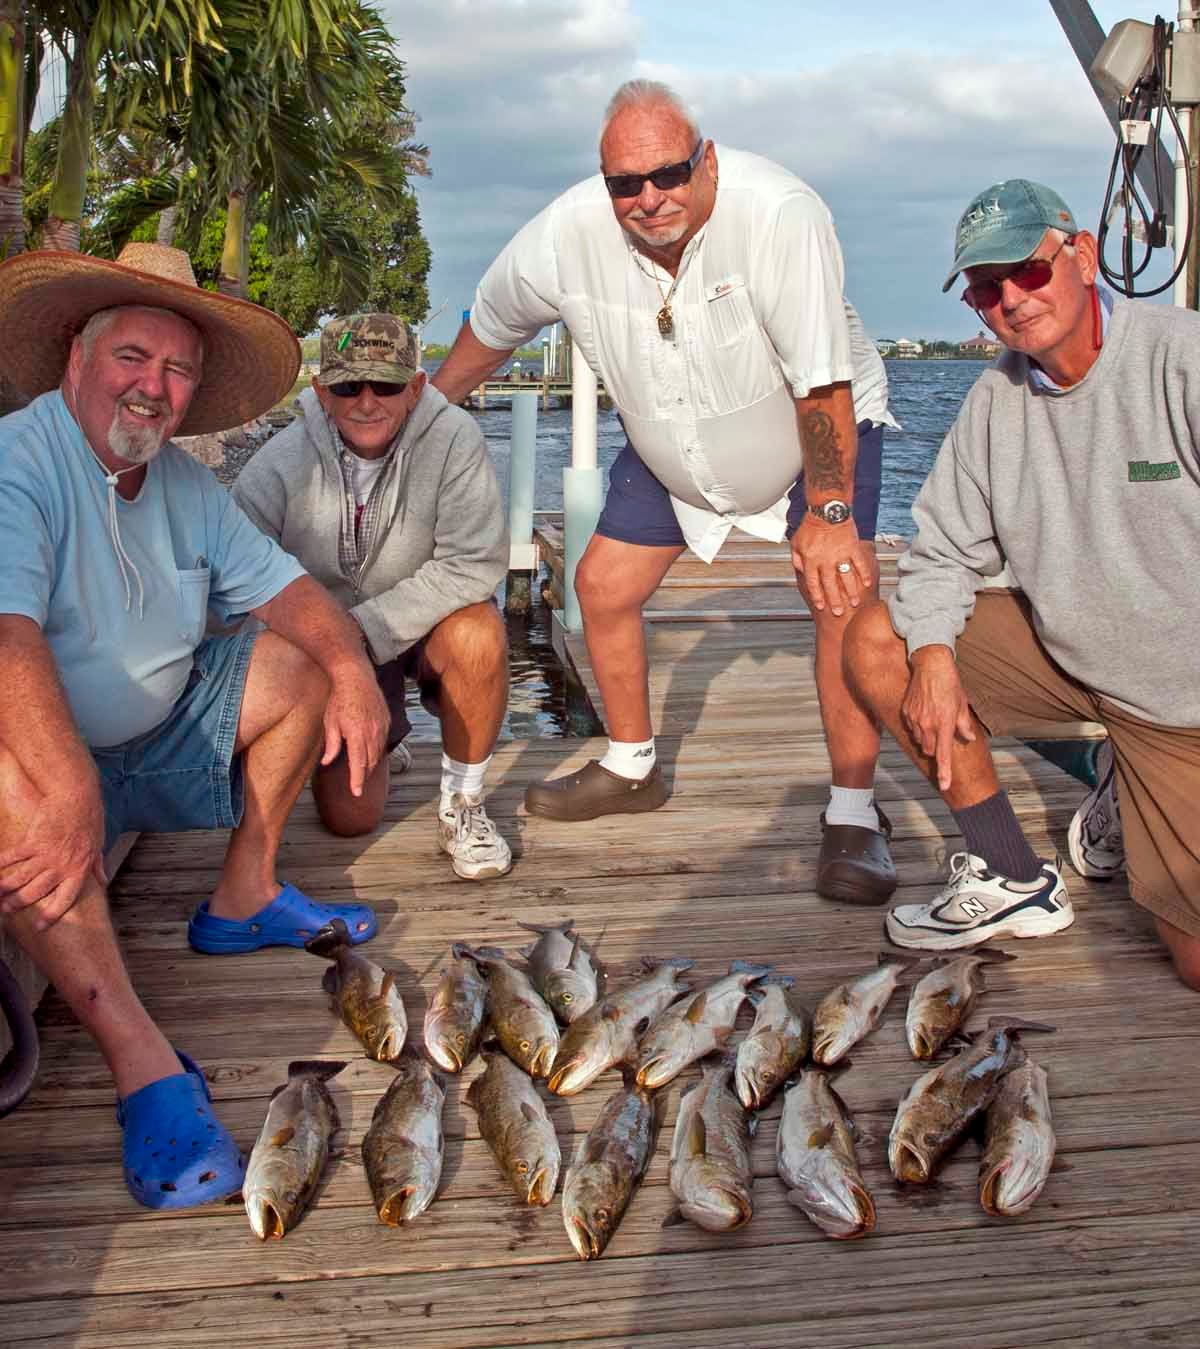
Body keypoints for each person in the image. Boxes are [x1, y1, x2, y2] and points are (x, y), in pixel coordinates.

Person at [432, 79, 900, 905]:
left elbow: (823, 385)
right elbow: (490, 328)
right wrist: (422, 420)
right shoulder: (564, 235)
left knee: (840, 599)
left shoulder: (782, 213)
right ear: (602, 181)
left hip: (811, 433)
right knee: (601, 585)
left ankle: (855, 814)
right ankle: (630, 763)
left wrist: (829, 514)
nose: (649, 199)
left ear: (707, 160)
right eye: (625, 183)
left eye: (670, 174)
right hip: (672, 440)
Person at [0, 243, 391, 1208]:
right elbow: (4, 635)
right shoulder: (17, 462)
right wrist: (70, 786)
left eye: (177, 370)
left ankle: (242, 895)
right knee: (13, 781)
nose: (154, 387)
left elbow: (289, 591)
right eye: (133, 357)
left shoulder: (183, 483)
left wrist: (352, 669)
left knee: (297, 668)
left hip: (152, 738)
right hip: (47, 763)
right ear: (75, 363)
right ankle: (139, 1057)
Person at [843, 178, 1200, 992]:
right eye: (983, 287)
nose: (1009, 298)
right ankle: (1011, 874)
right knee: (877, 638)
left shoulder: (1183, 358)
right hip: (1071, 654)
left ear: (1083, 256)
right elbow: (939, 550)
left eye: (1027, 271)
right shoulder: (993, 398)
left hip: (1184, 701)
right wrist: (932, 654)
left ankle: (1132, 783)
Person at [233, 314, 512, 879]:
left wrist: (356, 632)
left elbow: (475, 563)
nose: (367, 401)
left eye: (386, 385)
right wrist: (329, 656)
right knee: (350, 818)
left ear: (416, 387)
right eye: (347, 386)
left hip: (421, 624)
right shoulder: (277, 463)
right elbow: (236, 581)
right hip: (327, 645)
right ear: (320, 391)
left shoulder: (456, 439)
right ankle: (385, 735)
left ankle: (465, 803)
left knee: (481, 631)